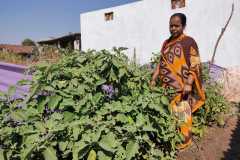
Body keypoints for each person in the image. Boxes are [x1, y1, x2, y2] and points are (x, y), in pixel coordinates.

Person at [150, 13, 205, 149]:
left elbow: (195, 63)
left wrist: (189, 83)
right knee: (170, 113)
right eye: (171, 26)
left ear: (183, 26)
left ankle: (185, 141)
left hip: (183, 85)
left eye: (177, 26)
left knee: (182, 112)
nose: (173, 28)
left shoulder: (189, 41)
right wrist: (153, 78)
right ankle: (173, 137)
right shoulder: (166, 43)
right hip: (167, 86)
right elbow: (161, 62)